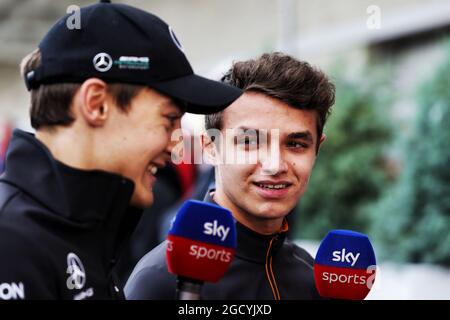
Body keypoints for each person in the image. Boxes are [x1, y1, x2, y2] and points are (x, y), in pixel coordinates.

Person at [0, 0, 241, 300]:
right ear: (96, 104)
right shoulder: (12, 245)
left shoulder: (86, 229)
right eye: (169, 119)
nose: (179, 144)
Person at [125, 52, 336, 300]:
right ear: (210, 147)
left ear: (317, 150)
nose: (275, 164)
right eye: (249, 142)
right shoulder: (160, 280)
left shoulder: (316, 281)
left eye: (296, 144)